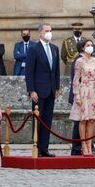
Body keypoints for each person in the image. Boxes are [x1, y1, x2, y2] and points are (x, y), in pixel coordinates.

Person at [25, 23, 60, 157]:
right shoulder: (34, 49)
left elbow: (56, 70)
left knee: (47, 120)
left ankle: (44, 148)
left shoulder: (54, 48)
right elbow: (29, 72)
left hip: (51, 90)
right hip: (39, 91)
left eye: (50, 30)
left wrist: (57, 87)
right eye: (46, 31)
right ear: (40, 33)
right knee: (38, 120)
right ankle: (37, 147)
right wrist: (31, 90)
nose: (49, 33)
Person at [69, 39, 95, 156]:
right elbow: (76, 79)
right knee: (83, 119)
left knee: (92, 119)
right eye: (88, 45)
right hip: (84, 90)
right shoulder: (79, 61)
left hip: (94, 90)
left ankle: (89, 144)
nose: (90, 47)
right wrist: (76, 95)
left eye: (91, 45)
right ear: (83, 47)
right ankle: (83, 145)